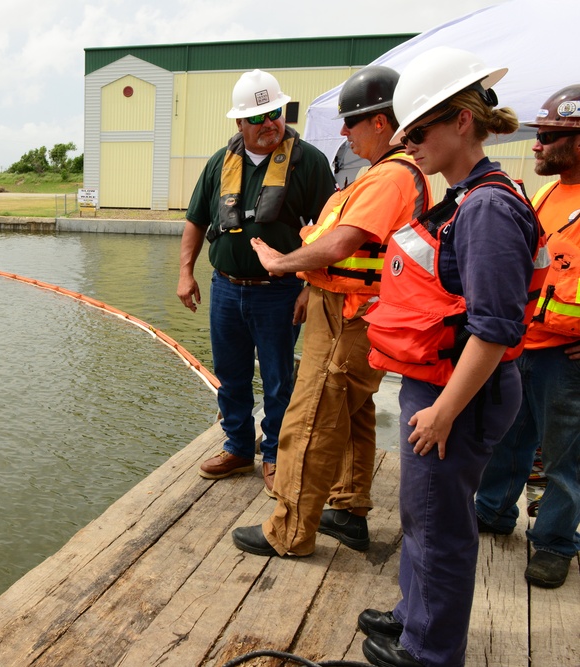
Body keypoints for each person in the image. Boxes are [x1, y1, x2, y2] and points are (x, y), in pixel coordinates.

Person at [353, 47, 547, 667]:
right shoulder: (467, 195)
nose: (410, 144)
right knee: (424, 512)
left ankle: (430, 651)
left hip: (458, 392)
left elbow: (493, 329)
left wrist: (443, 412)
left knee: (441, 524)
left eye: (420, 130)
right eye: (406, 133)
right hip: (439, 383)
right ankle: (415, 614)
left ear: (463, 121)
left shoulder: (487, 208)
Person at [230, 66, 430, 558]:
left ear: (381, 123)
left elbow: (341, 242)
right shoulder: (391, 174)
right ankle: (348, 507)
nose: (343, 132)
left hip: (349, 315)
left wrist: (282, 264)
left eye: (352, 122)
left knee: (311, 417)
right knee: (353, 413)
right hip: (358, 313)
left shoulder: (390, 178)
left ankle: (291, 531)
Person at [178, 70, 336, 493]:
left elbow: (330, 229)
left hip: (279, 294)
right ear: (239, 124)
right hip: (226, 289)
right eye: (259, 117)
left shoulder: (309, 162)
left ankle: (274, 455)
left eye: (276, 113)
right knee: (230, 374)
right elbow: (196, 220)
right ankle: (238, 448)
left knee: (280, 378)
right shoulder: (218, 163)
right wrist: (185, 273)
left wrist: (311, 285)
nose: (270, 124)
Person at [475, 84, 580, 589]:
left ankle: (556, 542)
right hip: (526, 343)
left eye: (549, 136)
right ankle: (494, 511)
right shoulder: (547, 194)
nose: (536, 144)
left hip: (570, 357)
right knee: (509, 438)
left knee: (566, 454)